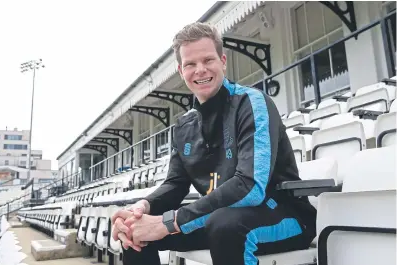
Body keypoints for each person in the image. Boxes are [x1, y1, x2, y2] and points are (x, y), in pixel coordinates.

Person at [111, 22, 316, 265]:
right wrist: (142, 208)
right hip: (219, 218)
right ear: (180, 71)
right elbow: (176, 184)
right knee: (137, 230)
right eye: (190, 64)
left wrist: (169, 222)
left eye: (208, 60)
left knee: (224, 225)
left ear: (223, 61)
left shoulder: (252, 103)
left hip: (284, 215)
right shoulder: (183, 125)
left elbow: (250, 187)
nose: (200, 70)